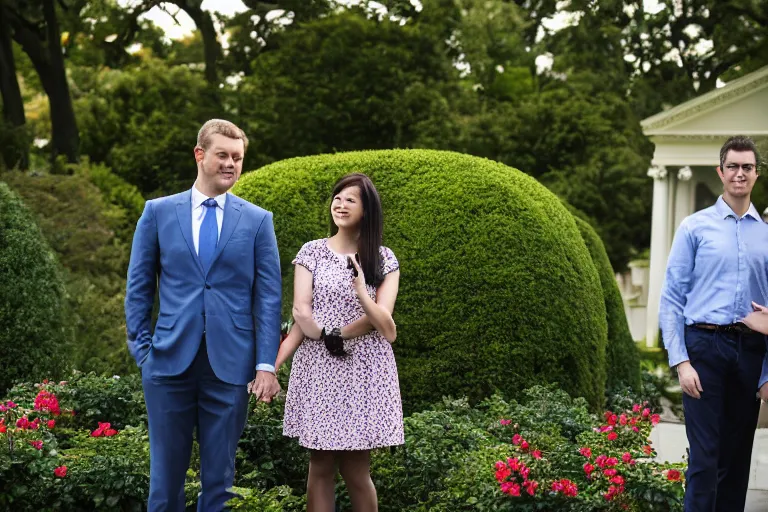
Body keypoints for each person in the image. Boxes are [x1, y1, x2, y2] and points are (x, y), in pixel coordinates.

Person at [124, 119, 282, 511]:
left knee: (220, 484)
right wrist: (143, 352)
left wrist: (265, 363)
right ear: (200, 155)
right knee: (164, 486)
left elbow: (267, 298)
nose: (231, 164)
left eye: (238, 158)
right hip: (166, 363)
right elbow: (139, 288)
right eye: (223, 155)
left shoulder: (258, 220)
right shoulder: (157, 213)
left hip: (231, 366)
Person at [277, 173, 403, 512]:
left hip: (363, 368)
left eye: (351, 199)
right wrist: (272, 366)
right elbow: (301, 311)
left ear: (367, 210)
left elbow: (385, 325)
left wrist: (361, 291)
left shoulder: (383, 259)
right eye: (337, 197)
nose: (340, 204)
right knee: (319, 464)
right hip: (320, 366)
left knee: (356, 468)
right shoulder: (312, 252)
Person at [659, 135, 768, 511]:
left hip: (750, 352)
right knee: (705, 462)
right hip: (704, 349)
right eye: (733, 167)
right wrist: (681, 361)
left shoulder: (767, 237)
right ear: (721, 172)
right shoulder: (694, 228)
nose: (740, 174)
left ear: (756, 174)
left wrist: (766, 373)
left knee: (736, 463)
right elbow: (672, 297)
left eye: (747, 167)